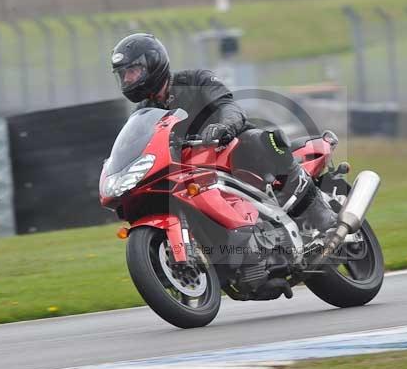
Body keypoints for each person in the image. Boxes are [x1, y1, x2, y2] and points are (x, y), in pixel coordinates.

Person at [110, 32, 337, 234]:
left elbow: (229, 106)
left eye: (133, 70)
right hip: (193, 171)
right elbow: (136, 146)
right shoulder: (143, 113)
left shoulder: (196, 80)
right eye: (123, 74)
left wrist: (225, 126)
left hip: (229, 150)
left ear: (153, 63)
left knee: (266, 140)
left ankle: (315, 209)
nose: (128, 79)